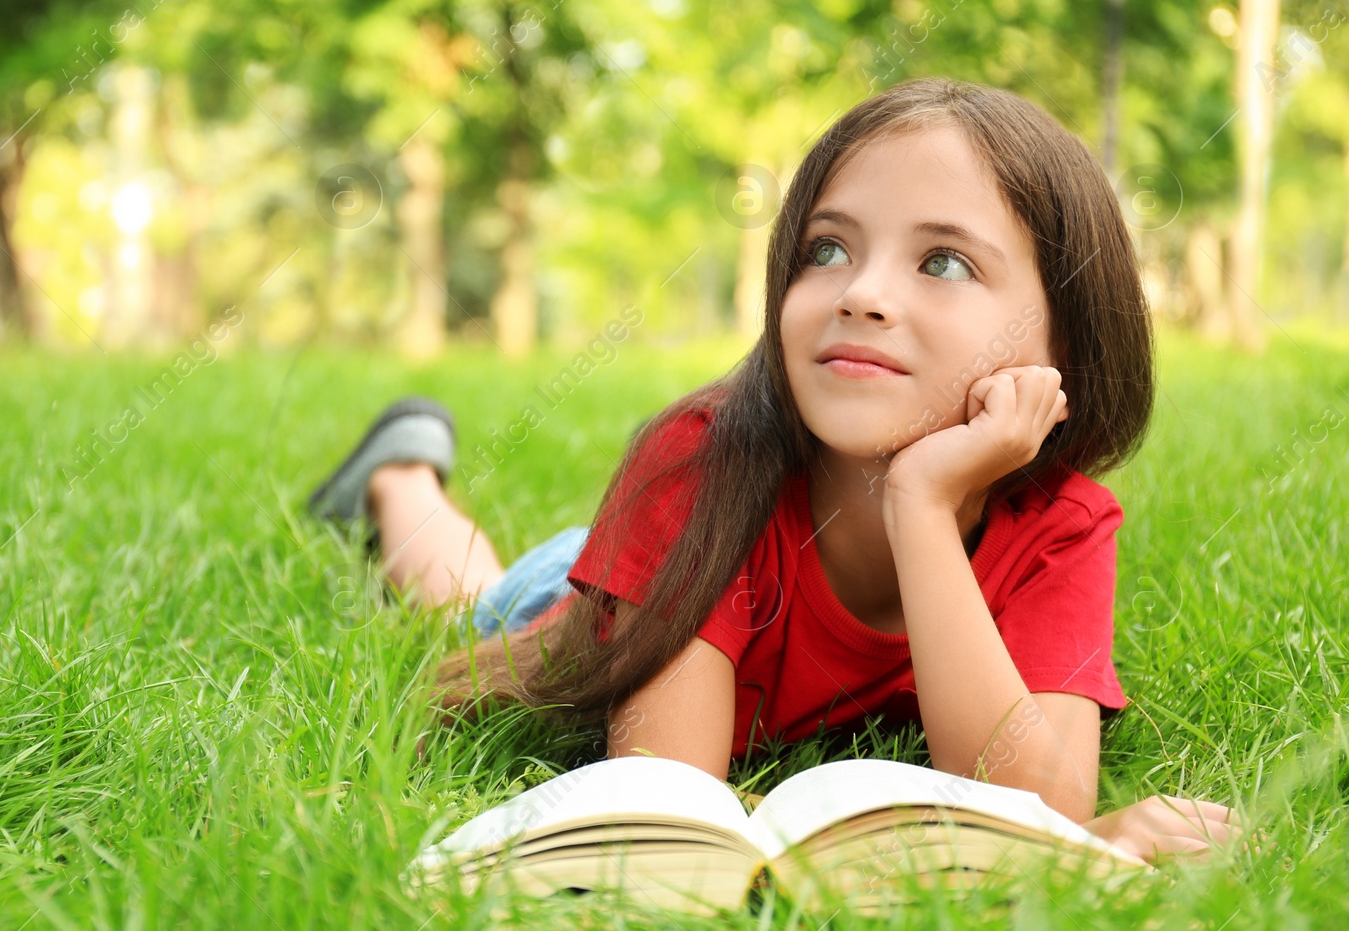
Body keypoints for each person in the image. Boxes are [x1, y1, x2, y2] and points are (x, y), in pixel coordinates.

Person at [308, 78, 1249, 866]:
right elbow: (669, 802)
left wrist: (920, 504)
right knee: (477, 593)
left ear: (1067, 343)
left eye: (944, 261)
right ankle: (400, 479)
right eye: (826, 249)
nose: (863, 293)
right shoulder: (698, 462)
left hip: (699, 562)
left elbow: (1041, 800)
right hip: (624, 586)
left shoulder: (1061, 523)